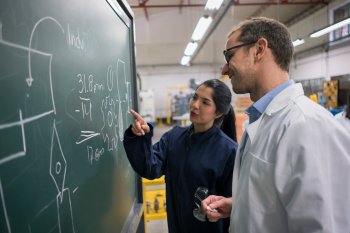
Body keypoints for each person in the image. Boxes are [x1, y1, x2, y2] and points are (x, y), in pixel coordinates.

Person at [202, 17, 350, 233]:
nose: (225, 69)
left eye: (229, 55)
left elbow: (324, 225)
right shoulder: (264, 120)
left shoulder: (307, 126)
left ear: (259, 50)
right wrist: (240, 206)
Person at [123, 79, 238, 233]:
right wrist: (139, 137)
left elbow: (233, 206)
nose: (195, 105)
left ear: (218, 113)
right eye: (195, 97)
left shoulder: (229, 151)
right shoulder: (174, 137)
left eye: (205, 102)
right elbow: (150, 167)